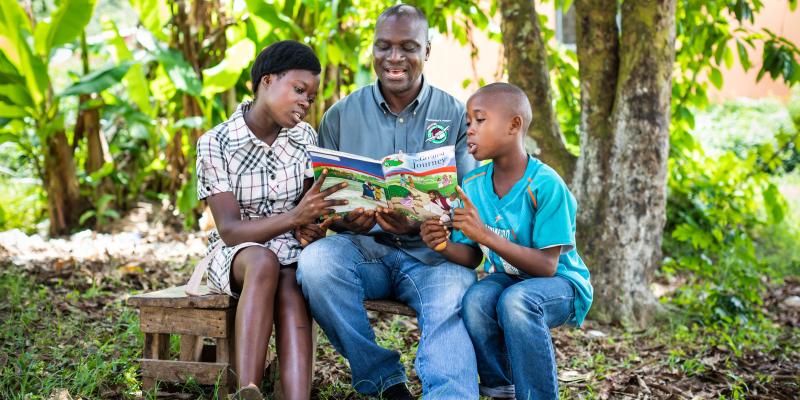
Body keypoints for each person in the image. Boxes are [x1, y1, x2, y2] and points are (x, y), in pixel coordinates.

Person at [296, 4, 480, 399]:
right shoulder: (341, 115)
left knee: (454, 295)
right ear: (373, 49)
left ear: (427, 50)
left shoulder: (453, 115)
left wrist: (418, 222)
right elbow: (327, 198)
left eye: (408, 47)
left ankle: (449, 394)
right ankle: (384, 382)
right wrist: (346, 222)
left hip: (433, 256)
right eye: (384, 46)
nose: (394, 58)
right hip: (364, 250)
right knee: (315, 265)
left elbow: (466, 197)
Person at [419, 83, 593, 399]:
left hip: (561, 285)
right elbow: (472, 256)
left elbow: (546, 266)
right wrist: (442, 245)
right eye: (468, 122)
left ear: (514, 125)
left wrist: (483, 233)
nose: (469, 130)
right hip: (509, 278)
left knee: (516, 302)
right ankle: (501, 387)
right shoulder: (472, 185)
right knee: (476, 300)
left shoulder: (545, 185)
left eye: (479, 120)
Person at [195, 40, 346, 400]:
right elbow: (230, 231)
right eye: (298, 90)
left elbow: (309, 207)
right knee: (264, 262)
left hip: (288, 247)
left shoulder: (305, 138)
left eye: (310, 97)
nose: (305, 103)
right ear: (266, 81)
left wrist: (313, 225)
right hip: (238, 254)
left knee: (293, 284)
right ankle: (247, 390)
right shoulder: (216, 142)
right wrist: (296, 216)